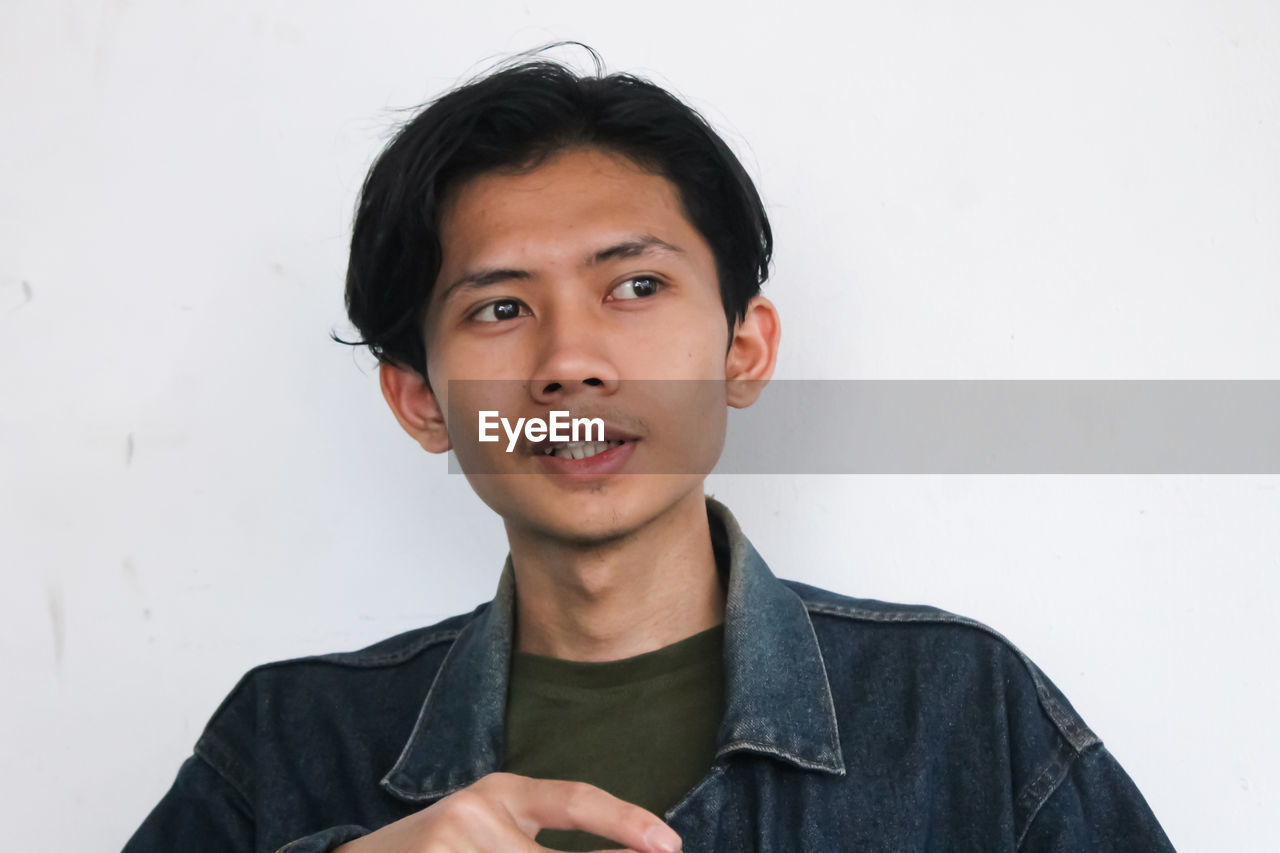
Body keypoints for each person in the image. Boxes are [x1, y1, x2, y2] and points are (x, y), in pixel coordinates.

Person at [124, 52, 1176, 853]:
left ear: (742, 347)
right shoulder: (290, 741)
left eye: (634, 287)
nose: (570, 361)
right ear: (418, 399)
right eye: (499, 306)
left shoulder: (958, 711)